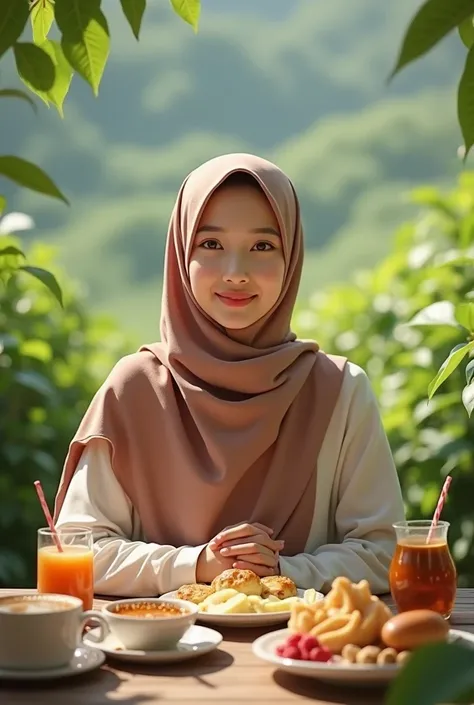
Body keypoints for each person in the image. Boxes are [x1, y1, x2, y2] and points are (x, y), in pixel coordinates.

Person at [53, 153, 405, 598]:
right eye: (211, 245)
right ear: (182, 253)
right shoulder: (135, 388)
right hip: (157, 652)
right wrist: (198, 563)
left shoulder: (339, 390)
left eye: (262, 247)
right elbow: (77, 550)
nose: (235, 274)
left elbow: (384, 551)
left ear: (292, 256)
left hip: (304, 652)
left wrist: (281, 569)